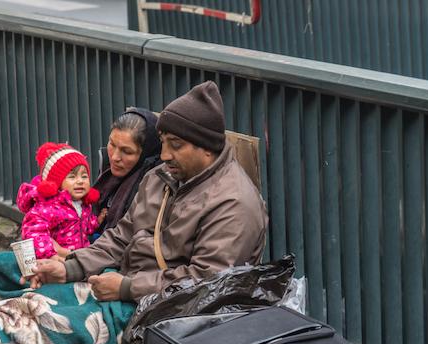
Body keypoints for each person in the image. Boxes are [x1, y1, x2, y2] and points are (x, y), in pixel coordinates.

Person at [23, 81, 268, 301]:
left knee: (22, 327)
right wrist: (70, 268)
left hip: (170, 314)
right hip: (129, 282)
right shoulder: (161, 177)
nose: (164, 155)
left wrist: (127, 287)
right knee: (13, 282)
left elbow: (209, 281)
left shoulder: (234, 202)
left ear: (206, 148)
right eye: (163, 142)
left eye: (176, 145)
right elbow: (122, 236)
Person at [16, 142, 107, 260]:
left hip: (79, 256)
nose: (80, 181)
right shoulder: (49, 207)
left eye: (84, 176)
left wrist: (96, 222)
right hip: (57, 258)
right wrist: (50, 255)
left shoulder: (83, 204)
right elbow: (34, 232)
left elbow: (83, 226)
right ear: (56, 183)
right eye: (72, 177)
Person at [93, 108, 162, 235]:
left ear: (146, 154)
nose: (115, 157)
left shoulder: (152, 191)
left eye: (127, 152)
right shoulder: (106, 176)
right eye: (112, 144)